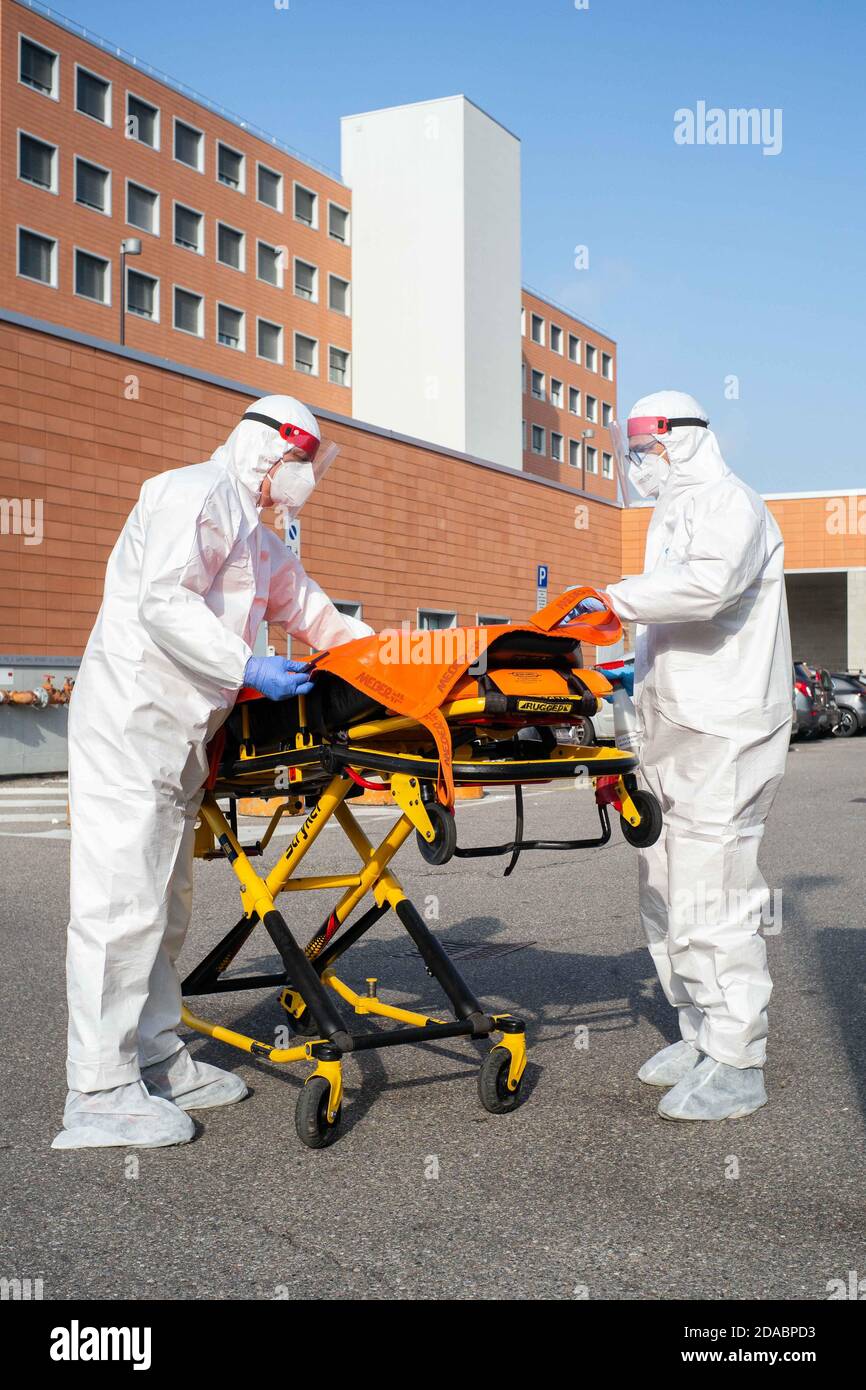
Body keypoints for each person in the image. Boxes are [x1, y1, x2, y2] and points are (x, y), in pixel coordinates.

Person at [54, 396, 372, 1150]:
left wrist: (392, 665)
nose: (306, 482)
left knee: (164, 908)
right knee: (118, 904)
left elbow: (316, 612)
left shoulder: (260, 539)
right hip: (132, 724)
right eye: (303, 465)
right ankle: (98, 1091)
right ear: (270, 453)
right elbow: (163, 600)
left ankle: (159, 1056)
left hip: (183, 740)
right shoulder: (190, 493)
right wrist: (247, 663)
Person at [576, 391, 792, 1120]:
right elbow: (667, 618)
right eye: (632, 452)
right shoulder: (668, 517)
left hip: (726, 727)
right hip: (672, 727)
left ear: (681, 441)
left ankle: (738, 1057)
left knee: (715, 889)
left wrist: (616, 600)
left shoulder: (731, 503)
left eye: (645, 451)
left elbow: (708, 587)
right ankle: (697, 1030)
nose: (637, 465)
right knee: (665, 883)